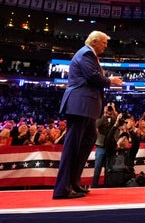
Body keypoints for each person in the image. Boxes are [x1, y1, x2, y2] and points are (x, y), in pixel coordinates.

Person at [52, 31, 122, 200]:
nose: (106, 46)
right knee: (72, 147)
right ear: (96, 41)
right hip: (80, 105)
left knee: (90, 137)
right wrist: (110, 81)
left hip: (86, 107)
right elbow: (92, 77)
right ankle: (62, 189)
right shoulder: (86, 53)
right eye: (104, 42)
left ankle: (74, 183)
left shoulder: (89, 55)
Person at [92, 103, 117, 188]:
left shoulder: (114, 119)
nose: (109, 110)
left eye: (111, 108)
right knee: (97, 167)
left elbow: (118, 122)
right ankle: (94, 186)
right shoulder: (101, 118)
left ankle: (107, 186)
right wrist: (104, 114)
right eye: (108, 108)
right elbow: (97, 125)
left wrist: (114, 111)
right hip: (100, 146)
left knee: (108, 168)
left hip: (110, 146)